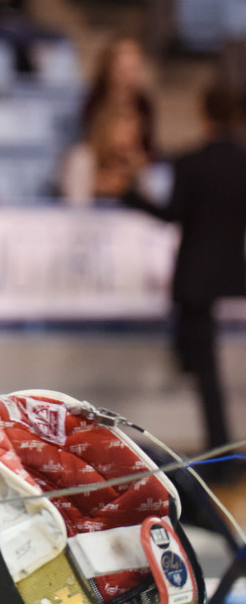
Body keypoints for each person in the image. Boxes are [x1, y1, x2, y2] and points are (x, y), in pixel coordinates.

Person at [124, 82, 246, 464]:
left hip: (195, 281)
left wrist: (129, 195)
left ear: (204, 115)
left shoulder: (191, 163)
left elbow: (171, 214)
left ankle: (221, 455)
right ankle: (222, 452)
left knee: (204, 373)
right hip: (231, 277)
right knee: (206, 371)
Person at [81, 33, 157, 161]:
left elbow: (148, 147)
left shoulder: (144, 104)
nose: (127, 76)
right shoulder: (94, 100)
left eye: (133, 69)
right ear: (109, 67)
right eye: (122, 69)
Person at [59, 105, 149, 205]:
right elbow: (74, 203)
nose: (132, 136)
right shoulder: (83, 156)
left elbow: (148, 206)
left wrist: (138, 174)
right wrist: (97, 185)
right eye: (127, 130)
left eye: (136, 131)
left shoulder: (132, 160)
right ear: (107, 127)